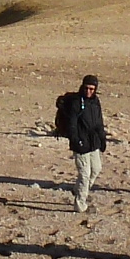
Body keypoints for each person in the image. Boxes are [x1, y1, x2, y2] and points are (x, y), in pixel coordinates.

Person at [53, 74, 107, 214]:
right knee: (84, 174)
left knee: (96, 169)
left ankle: (78, 190)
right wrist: (76, 141)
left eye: (92, 89)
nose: (88, 91)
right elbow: (72, 125)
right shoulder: (77, 102)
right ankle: (80, 204)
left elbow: (99, 122)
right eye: (86, 88)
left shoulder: (95, 102)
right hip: (81, 143)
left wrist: (102, 139)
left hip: (93, 142)